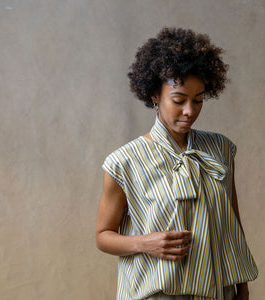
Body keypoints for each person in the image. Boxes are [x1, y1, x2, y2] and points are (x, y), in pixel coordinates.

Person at [96, 27, 258, 300]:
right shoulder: (124, 162)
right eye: (179, 100)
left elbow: (233, 225)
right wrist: (145, 243)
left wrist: (242, 287)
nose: (190, 111)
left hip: (220, 291)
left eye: (198, 100)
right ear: (154, 96)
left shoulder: (220, 149)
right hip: (157, 293)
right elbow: (103, 236)